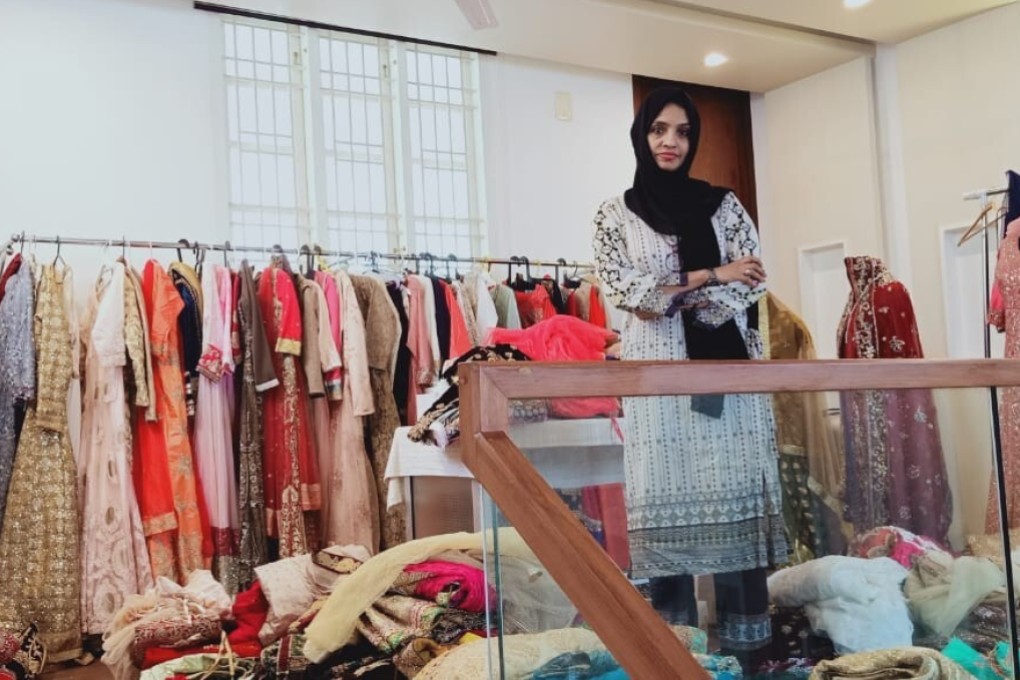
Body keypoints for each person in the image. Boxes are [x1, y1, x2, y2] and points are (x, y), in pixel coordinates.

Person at [592, 87, 788, 668]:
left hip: (726, 381)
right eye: (659, 129)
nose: (670, 142)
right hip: (656, 383)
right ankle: (671, 657)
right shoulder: (613, 215)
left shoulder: (725, 207)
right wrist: (710, 273)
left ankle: (748, 660)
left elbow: (750, 281)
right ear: (642, 136)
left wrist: (685, 292)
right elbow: (629, 292)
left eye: (682, 131)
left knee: (734, 507)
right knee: (662, 508)